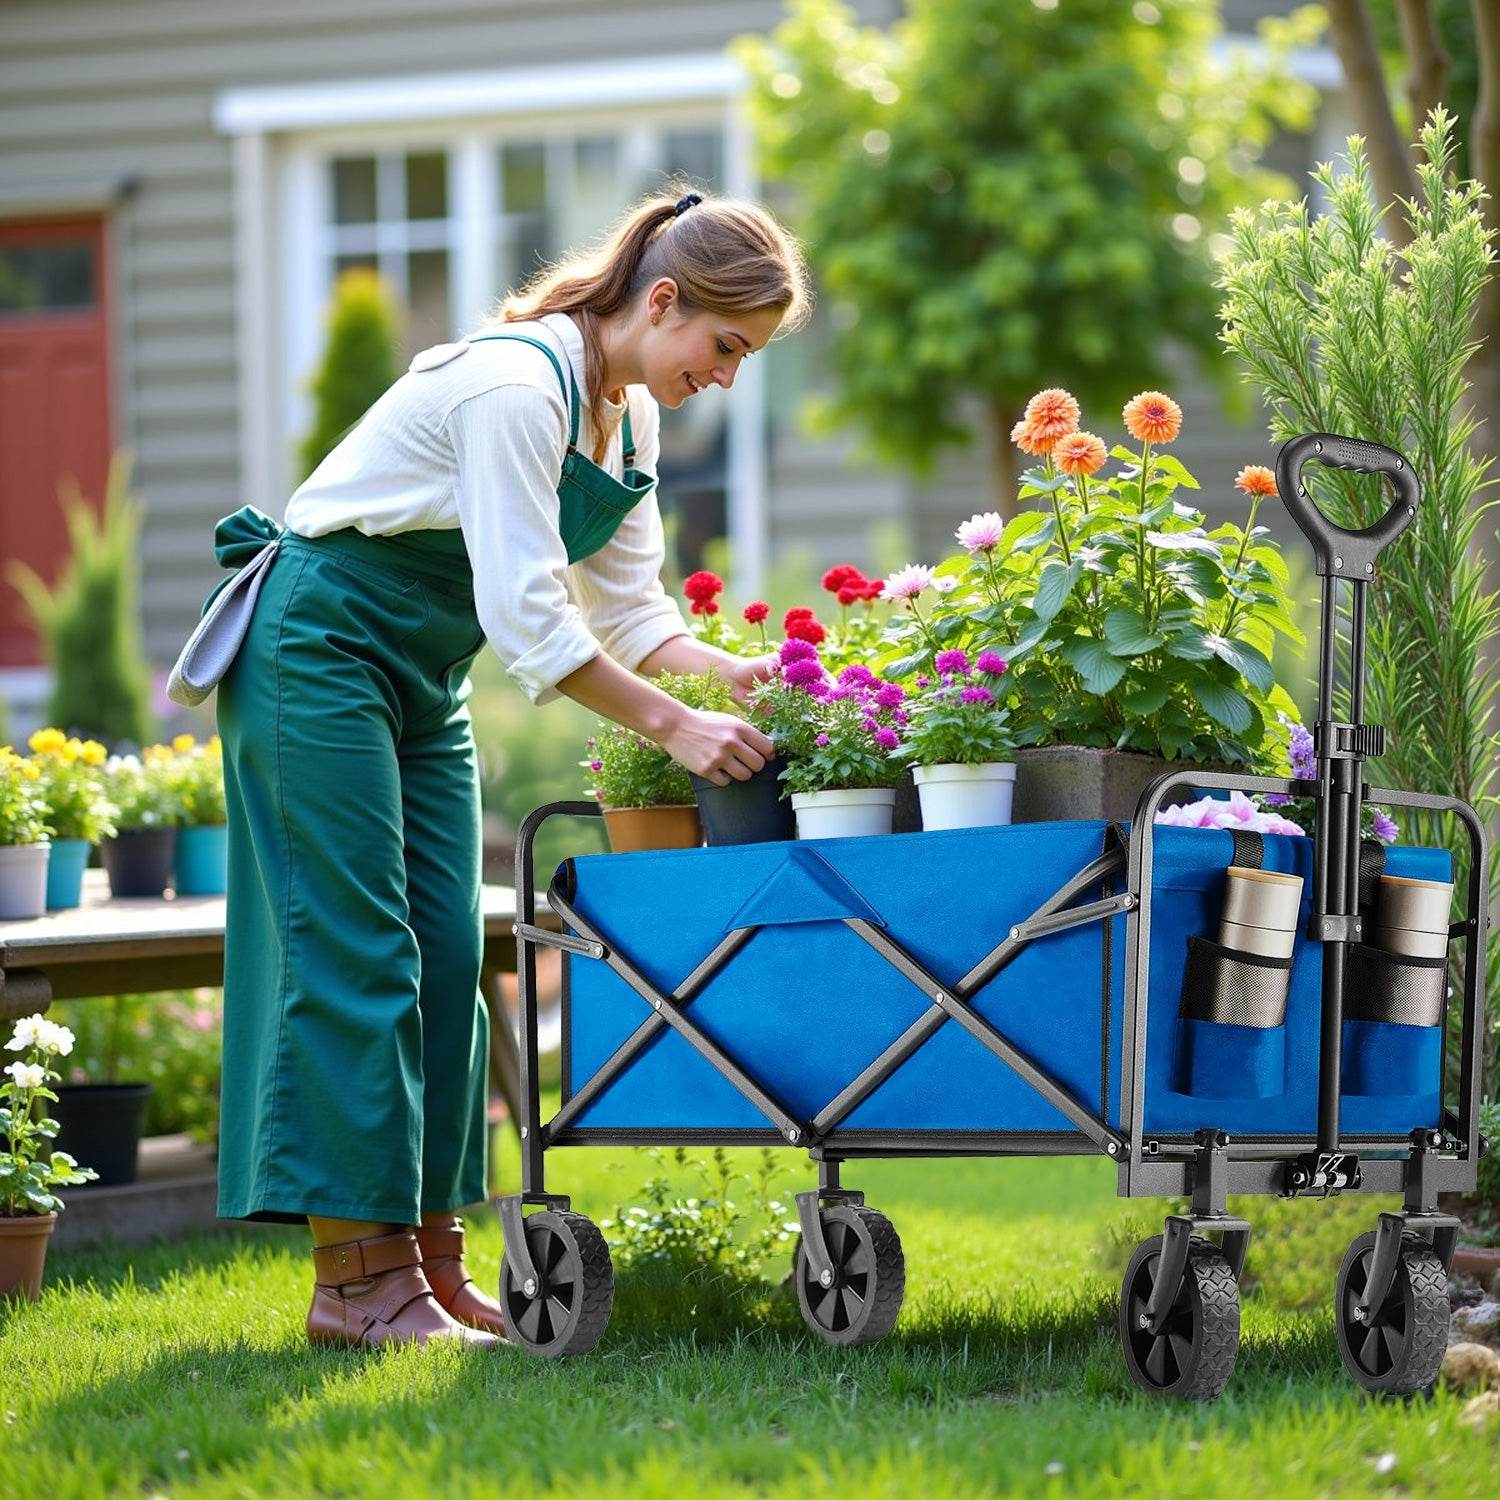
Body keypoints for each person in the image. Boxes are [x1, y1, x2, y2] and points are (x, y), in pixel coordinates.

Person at [205, 188, 812, 1349]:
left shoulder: (624, 422)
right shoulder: (514, 387)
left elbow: (632, 618)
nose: (728, 376)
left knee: (449, 947)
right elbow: (533, 621)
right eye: (725, 346)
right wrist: (672, 732)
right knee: (359, 947)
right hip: (317, 640)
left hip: (422, 671)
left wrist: (742, 679)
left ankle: (429, 1269)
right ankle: (354, 1285)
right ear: (664, 299)